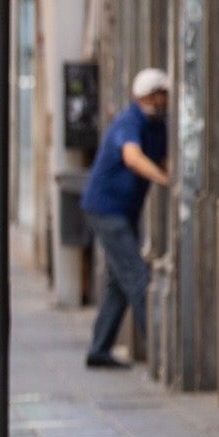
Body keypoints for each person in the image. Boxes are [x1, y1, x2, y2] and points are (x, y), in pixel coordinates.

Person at [81, 68, 171, 369]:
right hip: (107, 210)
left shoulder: (158, 127)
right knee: (136, 276)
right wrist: (164, 180)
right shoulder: (129, 121)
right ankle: (160, 352)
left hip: (123, 211)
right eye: (162, 94)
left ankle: (99, 348)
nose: (166, 100)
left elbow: (164, 158)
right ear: (149, 96)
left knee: (118, 282)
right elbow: (132, 157)